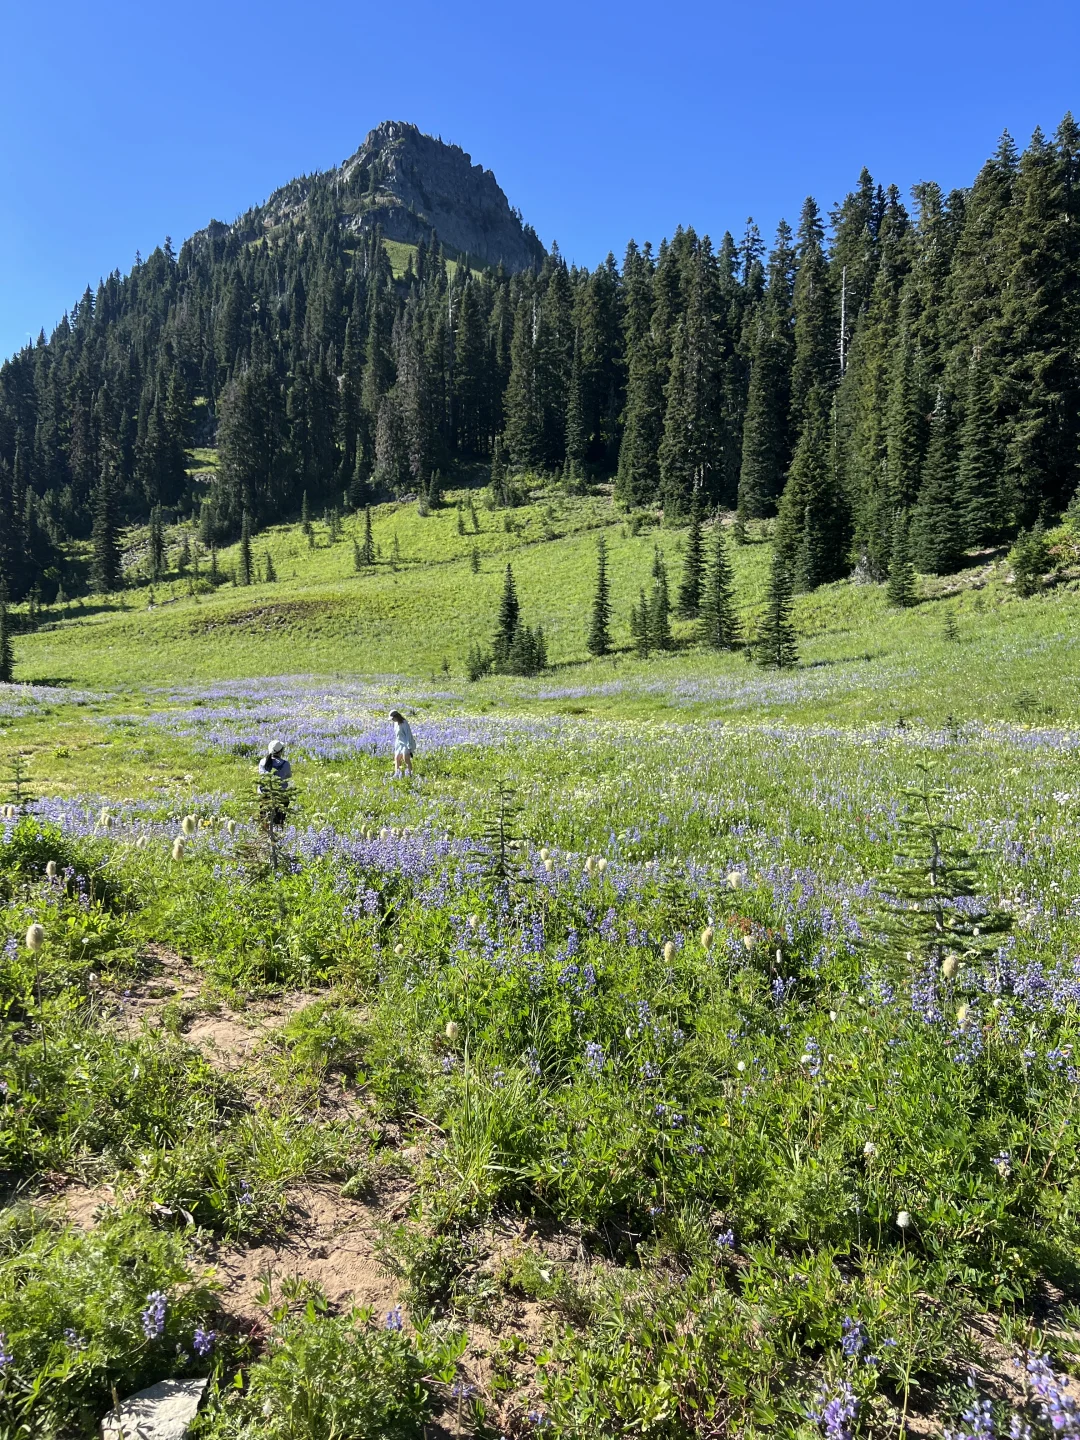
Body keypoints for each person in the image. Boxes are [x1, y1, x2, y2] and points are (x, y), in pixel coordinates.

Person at [257, 738, 292, 825]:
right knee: (279, 820)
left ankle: (265, 834)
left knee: (264, 819)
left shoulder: (263, 762)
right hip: (280, 795)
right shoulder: (285, 763)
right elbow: (288, 775)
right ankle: (277, 833)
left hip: (264, 794)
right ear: (281, 751)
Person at [389, 710, 415, 778]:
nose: (392, 720)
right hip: (399, 743)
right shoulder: (395, 723)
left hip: (406, 743)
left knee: (406, 758)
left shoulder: (404, 723)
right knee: (397, 758)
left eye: (393, 718)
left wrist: (409, 747)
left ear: (396, 717)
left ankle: (410, 774)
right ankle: (397, 774)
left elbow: (408, 735)